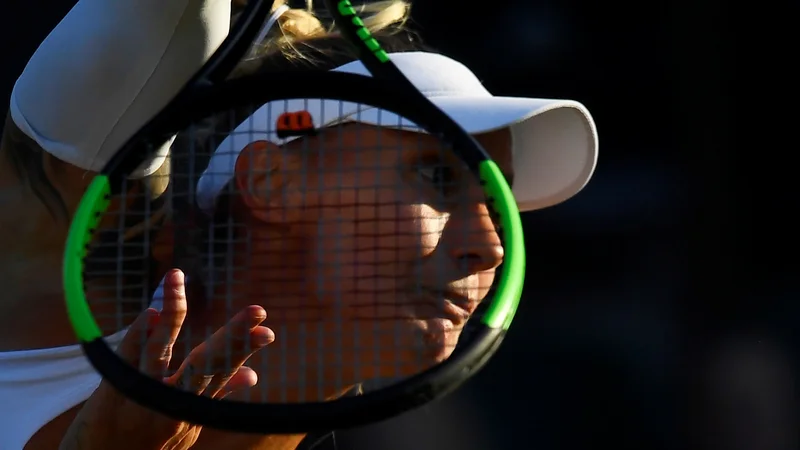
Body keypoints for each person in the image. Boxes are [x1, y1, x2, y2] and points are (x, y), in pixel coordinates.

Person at [0, 1, 598, 449]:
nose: (490, 249)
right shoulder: (49, 278)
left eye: (497, 206)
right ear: (271, 179)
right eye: (437, 178)